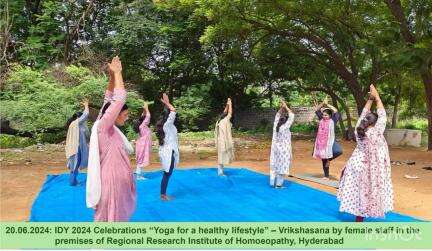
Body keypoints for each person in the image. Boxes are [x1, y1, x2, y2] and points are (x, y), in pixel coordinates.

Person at [86, 56, 136, 222]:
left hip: (117, 183)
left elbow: (108, 98)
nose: (127, 118)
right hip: (111, 184)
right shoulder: (103, 126)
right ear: (114, 114)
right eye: (125, 114)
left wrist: (111, 77)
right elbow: (118, 99)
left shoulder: (108, 126)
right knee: (108, 220)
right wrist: (118, 73)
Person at [337, 84, 394, 222]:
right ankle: (361, 218)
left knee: (358, 191)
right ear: (375, 123)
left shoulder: (359, 129)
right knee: (368, 191)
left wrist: (370, 99)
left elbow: (364, 114)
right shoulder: (376, 131)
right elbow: (383, 115)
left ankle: (359, 218)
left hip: (356, 165)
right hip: (370, 168)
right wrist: (377, 97)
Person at [312, 99, 343, 180]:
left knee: (339, 151)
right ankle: (326, 176)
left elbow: (336, 111)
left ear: (330, 115)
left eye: (326, 115)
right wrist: (322, 103)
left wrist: (327, 104)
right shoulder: (321, 119)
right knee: (323, 158)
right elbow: (316, 109)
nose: (324, 116)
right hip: (321, 142)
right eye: (323, 115)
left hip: (331, 141)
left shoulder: (333, 120)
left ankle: (329, 159)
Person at [156, 93, 179, 201]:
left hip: (168, 151)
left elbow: (171, 112)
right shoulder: (167, 125)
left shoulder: (166, 125)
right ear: (168, 116)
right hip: (168, 152)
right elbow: (173, 111)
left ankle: (163, 194)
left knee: (167, 173)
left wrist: (166, 105)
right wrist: (168, 104)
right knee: (167, 173)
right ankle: (163, 195)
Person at [269, 100, 295, 188]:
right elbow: (292, 116)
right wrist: (286, 107)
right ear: (285, 121)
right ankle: (279, 185)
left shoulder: (275, 127)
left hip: (276, 149)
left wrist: (282, 107)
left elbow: (277, 116)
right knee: (282, 166)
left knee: (274, 164)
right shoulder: (285, 127)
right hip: (284, 150)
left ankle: (272, 182)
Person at [65, 99, 90, 186]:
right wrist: (86, 105)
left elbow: (86, 135)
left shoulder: (76, 125)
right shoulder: (76, 123)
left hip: (76, 148)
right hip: (75, 148)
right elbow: (86, 115)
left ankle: (73, 181)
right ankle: (72, 182)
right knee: (74, 166)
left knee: (75, 165)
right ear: (78, 118)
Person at [214, 98, 234, 176]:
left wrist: (227, 104)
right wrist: (230, 103)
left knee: (221, 156)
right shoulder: (225, 121)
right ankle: (220, 171)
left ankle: (220, 171)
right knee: (222, 156)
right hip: (223, 141)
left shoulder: (219, 121)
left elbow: (225, 112)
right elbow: (230, 113)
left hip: (220, 141)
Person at [134, 102, 152, 180]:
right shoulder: (143, 125)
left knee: (140, 159)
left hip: (140, 144)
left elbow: (143, 116)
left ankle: (139, 174)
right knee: (141, 159)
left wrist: (144, 109)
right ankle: (138, 175)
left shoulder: (140, 125)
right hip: (143, 144)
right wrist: (147, 108)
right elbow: (148, 116)